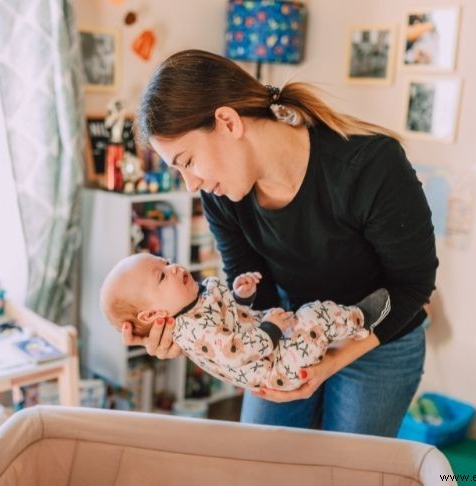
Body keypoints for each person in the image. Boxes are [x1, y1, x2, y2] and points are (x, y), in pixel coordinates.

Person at [120, 49, 438, 437]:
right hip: (287, 325)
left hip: (379, 338)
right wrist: (189, 325)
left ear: (227, 122)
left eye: (187, 162)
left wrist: (329, 362)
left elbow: (414, 285)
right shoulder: (220, 195)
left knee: (348, 471)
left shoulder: (370, 166)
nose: (192, 184)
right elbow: (249, 282)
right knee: (261, 460)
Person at [100, 253, 391, 391]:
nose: (173, 268)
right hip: (276, 366)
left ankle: (346, 324)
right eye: (162, 276)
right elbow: (234, 350)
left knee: (311, 318)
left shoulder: (195, 300)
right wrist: (271, 329)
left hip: (272, 344)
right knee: (315, 315)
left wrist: (242, 297)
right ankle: (360, 318)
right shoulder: (192, 329)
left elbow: (231, 321)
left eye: (164, 261)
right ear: (152, 316)